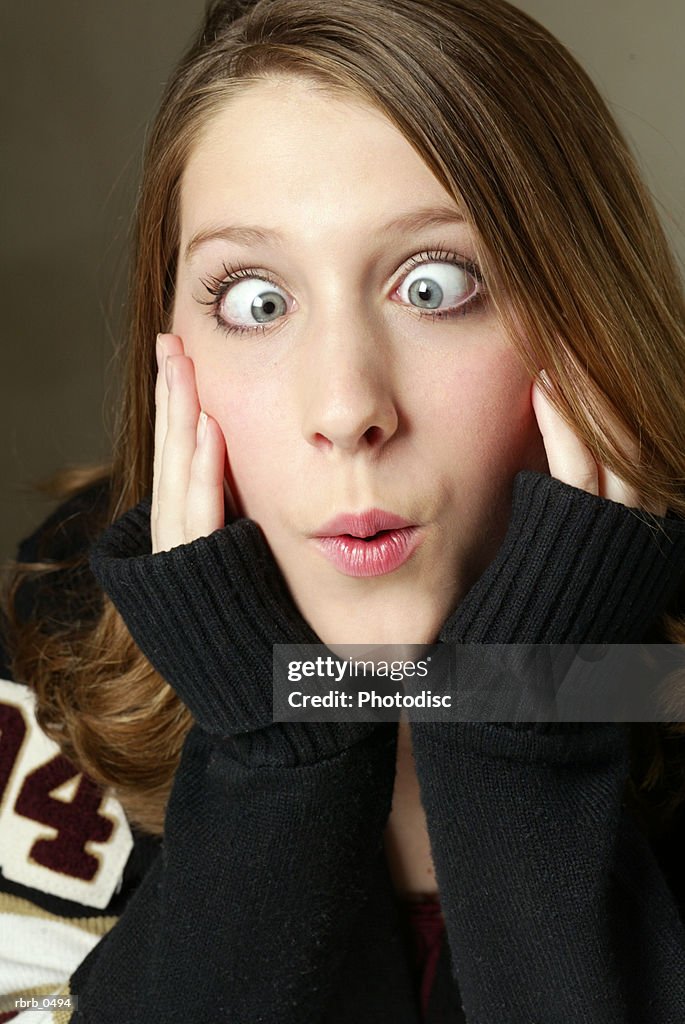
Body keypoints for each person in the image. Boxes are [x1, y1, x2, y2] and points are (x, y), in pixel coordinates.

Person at [2, 0, 685, 1021]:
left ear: (589, 316)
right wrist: (273, 753)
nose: (346, 407)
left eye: (433, 285)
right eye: (256, 301)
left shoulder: (662, 683)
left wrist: (518, 711)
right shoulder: (56, 636)